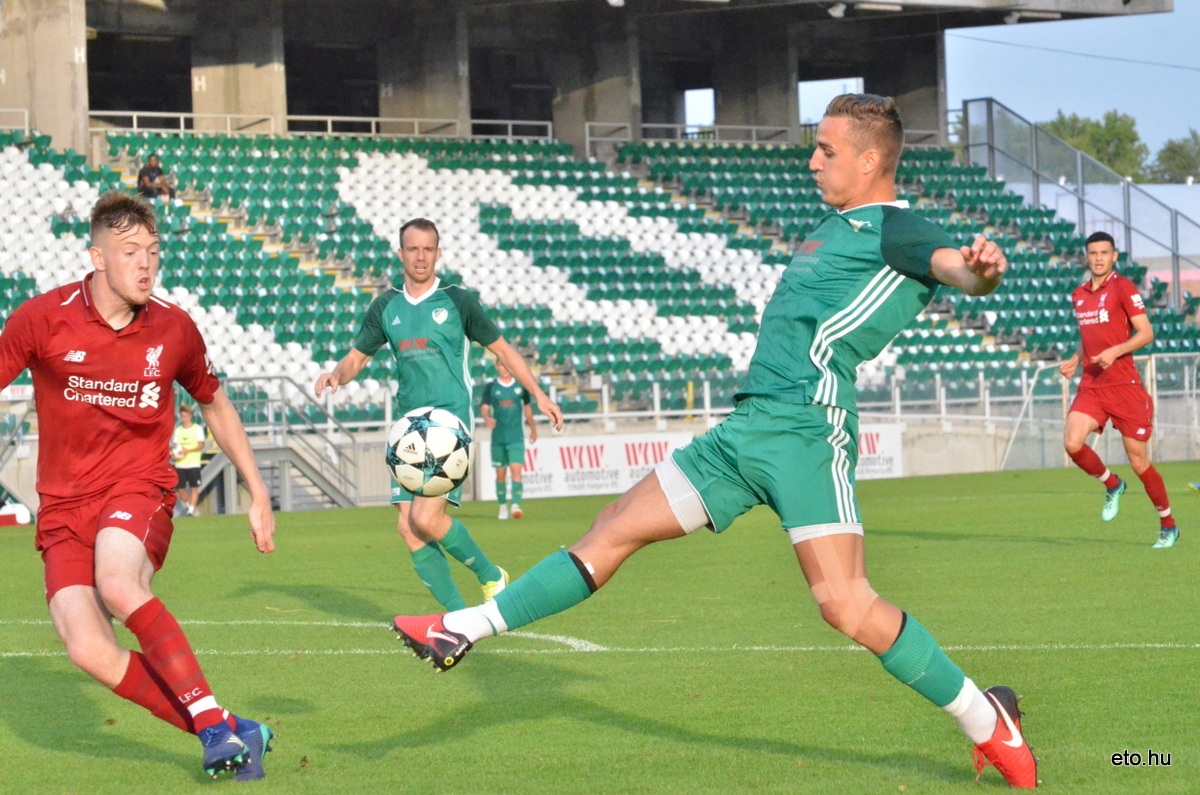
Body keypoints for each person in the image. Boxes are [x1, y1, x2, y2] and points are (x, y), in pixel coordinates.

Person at [392, 95, 1039, 789]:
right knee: (612, 526)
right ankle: (463, 627)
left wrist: (984, 270)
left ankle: (986, 719)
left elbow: (958, 269)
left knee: (845, 604)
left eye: (826, 149)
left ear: (871, 158)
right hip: (744, 430)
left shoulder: (895, 228)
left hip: (803, 430)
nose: (813, 160)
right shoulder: (828, 228)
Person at [0, 193, 277, 780]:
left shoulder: (174, 328)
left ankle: (211, 731)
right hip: (63, 505)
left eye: (153, 252)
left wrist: (257, 491)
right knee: (86, 648)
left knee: (118, 582)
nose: (145, 265)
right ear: (97, 257)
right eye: (130, 253)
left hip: (138, 487)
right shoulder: (42, 318)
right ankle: (229, 727)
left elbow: (216, 405)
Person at [314, 218, 563, 613]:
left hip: (449, 426)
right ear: (400, 254)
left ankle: (489, 575)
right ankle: (458, 615)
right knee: (408, 528)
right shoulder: (386, 306)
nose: (420, 256)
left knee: (427, 519)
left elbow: (504, 350)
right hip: (407, 430)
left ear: (438, 253)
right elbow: (357, 358)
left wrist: (539, 394)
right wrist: (336, 375)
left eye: (428, 249)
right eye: (412, 249)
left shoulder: (458, 300)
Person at [1059, 231, 1176, 549]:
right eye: (1093, 253)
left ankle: (1168, 524)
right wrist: (1074, 359)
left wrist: (1115, 351)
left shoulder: (1123, 287)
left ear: (1114, 257)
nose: (1098, 258)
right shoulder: (1078, 294)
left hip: (1125, 387)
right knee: (1071, 443)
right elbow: (1089, 334)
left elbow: (1146, 333)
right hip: (1093, 385)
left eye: (1104, 252)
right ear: (1086, 257)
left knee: (1139, 461)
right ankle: (1112, 484)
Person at [481, 360, 537, 520]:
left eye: (506, 365)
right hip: (498, 438)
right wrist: (487, 418)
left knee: (516, 471)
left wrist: (533, 429)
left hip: (516, 437)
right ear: (497, 367)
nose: (504, 368)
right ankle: (502, 506)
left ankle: (515, 505)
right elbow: (484, 408)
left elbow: (527, 408)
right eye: (501, 365)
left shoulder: (520, 387)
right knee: (500, 474)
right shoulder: (491, 387)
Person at [171, 403, 204, 516]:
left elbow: (200, 445)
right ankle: (190, 507)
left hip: (193, 463)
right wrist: (175, 455)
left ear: (190, 416)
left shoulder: (197, 429)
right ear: (181, 417)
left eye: (187, 416)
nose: (185, 418)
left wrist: (187, 451)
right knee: (180, 488)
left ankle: (190, 511)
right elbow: (175, 447)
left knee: (194, 487)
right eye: (183, 416)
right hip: (180, 464)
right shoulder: (178, 430)